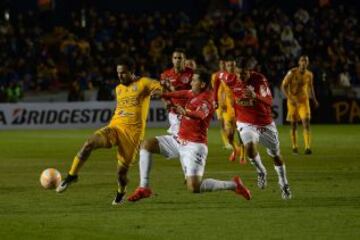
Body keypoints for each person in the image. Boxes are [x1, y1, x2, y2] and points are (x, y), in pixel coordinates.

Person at [127, 69, 251, 202]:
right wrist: (164, 94)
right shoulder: (194, 93)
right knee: (147, 144)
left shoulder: (207, 99)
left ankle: (234, 185)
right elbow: (183, 93)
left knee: (194, 187)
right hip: (179, 140)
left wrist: (186, 112)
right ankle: (143, 188)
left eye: (194, 80)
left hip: (194, 146)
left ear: (202, 84)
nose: (191, 83)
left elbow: (200, 115)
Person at [56, 58, 163, 205]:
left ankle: (121, 191)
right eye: (118, 73)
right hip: (114, 128)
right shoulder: (118, 89)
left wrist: (158, 92)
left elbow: (158, 87)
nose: (120, 76)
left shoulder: (143, 83)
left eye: (124, 73)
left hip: (131, 136)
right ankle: (71, 175)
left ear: (132, 72)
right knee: (89, 143)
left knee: (121, 174)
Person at [215, 59, 292, 200]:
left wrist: (255, 96)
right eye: (238, 73)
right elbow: (217, 77)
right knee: (249, 149)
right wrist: (215, 98)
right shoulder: (230, 77)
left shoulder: (259, 80)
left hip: (265, 123)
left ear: (250, 72)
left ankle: (283, 182)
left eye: (244, 74)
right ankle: (261, 171)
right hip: (245, 122)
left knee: (275, 155)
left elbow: (269, 101)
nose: (241, 77)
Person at [281, 55, 319, 154]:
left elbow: (311, 87)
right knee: (294, 125)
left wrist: (314, 99)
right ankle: (294, 146)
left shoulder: (309, 74)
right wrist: (289, 98)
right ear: (299, 62)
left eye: (306, 61)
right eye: (302, 60)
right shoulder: (292, 72)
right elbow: (283, 86)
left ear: (308, 63)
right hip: (292, 102)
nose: (304, 63)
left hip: (303, 101)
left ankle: (307, 147)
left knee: (306, 123)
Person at [211, 59, 246, 164]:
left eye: (233, 65)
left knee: (241, 133)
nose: (231, 67)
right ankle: (235, 149)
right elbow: (216, 88)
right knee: (229, 134)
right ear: (226, 66)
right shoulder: (220, 75)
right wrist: (216, 101)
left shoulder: (240, 76)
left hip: (240, 109)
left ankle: (243, 154)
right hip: (227, 109)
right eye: (229, 65)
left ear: (235, 66)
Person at [160, 49, 193, 136]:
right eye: (175, 58)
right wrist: (166, 102)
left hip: (189, 111)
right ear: (172, 60)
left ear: (184, 60)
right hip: (174, 111)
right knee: (179, 135)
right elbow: (163, 93)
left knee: (188, 136)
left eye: (180, 58)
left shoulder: (191, 73)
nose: (177, 60)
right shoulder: (165, 75)